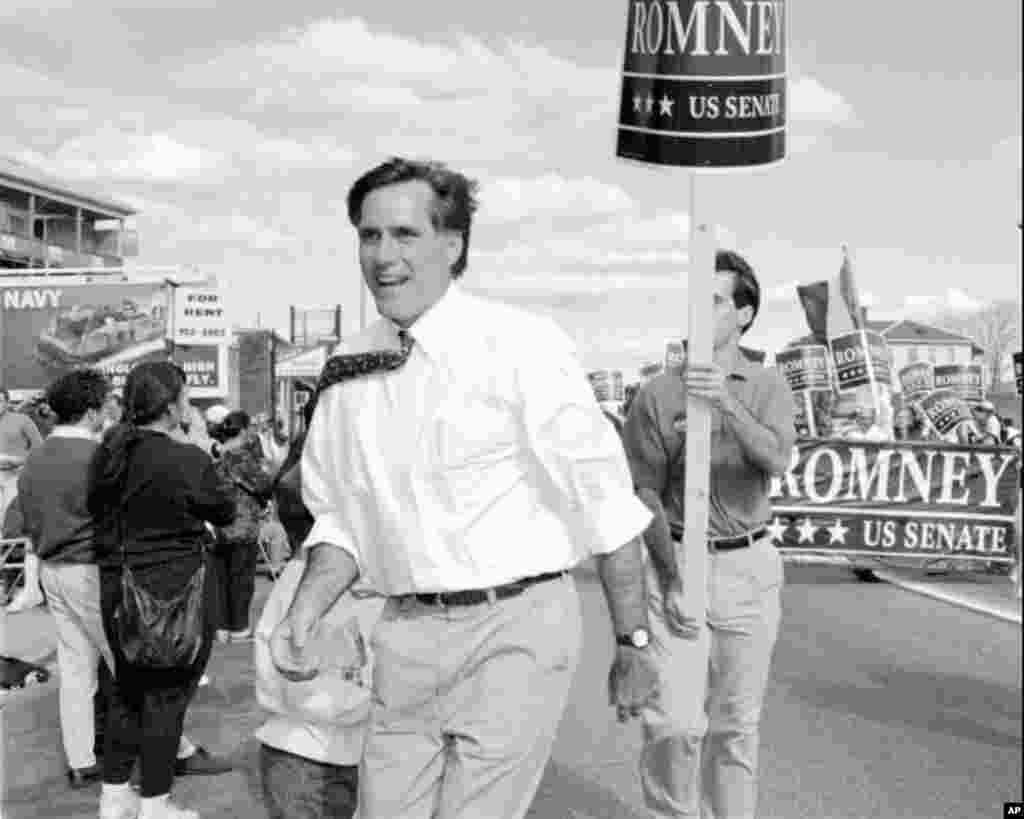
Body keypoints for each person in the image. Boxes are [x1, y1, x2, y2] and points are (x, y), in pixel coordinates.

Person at [272, 158, 658, 819]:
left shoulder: (520, 347)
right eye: (369, 236)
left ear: (452, 247)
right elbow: (341, 523)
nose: (382, 256)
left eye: (404, 235)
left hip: (514, 628)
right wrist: (302, 613)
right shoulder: (346, 369)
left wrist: (634, 644)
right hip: (404, 634)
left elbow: (607, 506)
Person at [622, 250, 796, 819]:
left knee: (734, 729)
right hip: (675, 562)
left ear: (744, 314)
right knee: (672, 725)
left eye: (715, 301)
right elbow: (642, 492)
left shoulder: (768, 385)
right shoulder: (656, 394)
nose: (700, 311)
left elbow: (775, 460)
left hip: (748, 566)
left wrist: (725, 402)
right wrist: (670, 574)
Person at [87, 361, 236, 819]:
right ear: (172, 407)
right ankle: (156, 803)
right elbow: (224, 507)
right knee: (167, 699)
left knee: (125, 692)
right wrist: (194, 443)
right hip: (178, 591)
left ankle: (115, 798)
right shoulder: (184, 456)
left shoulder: (109, 454)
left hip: (118, 588)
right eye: (186, 398)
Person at [15, 370, 115, 788]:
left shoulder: (34, 458)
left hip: (53, 567)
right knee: (127, 663)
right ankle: (171, 747)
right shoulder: (98, 457)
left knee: (75, 670)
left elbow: (28, 519)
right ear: (92, 411)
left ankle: (82, 760)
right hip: (92, 568)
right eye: (107, 404)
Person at [211, 409, 273, 642]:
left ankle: (221, 627)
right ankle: (239, 628)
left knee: (222, 579)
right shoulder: (244, 457)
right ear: (245, 430)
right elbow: (265, 484)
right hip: (243, 526)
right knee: (241, 580)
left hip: (219, 527)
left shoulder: (216, 457)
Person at [1, 386, 45, 612]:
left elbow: (39, 448)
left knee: (14, 532)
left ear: (7, 402)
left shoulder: (22, 420)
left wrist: (18, 460)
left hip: (16, 481)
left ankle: (19, 586)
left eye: (0, 401)